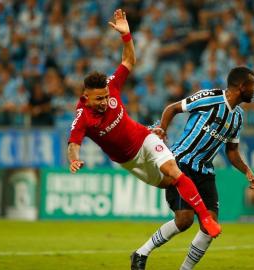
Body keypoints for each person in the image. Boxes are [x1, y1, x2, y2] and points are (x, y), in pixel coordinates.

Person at [67, 8, 221, 240]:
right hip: (129, 161)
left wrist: (126, 36)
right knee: (169, 182)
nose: (104, 102)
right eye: (98, 99)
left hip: (144, 137)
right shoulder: (82, 118)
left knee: (174, 171)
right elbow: (73, 144)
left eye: (105, 96)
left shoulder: (112, 85)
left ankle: (206, 219)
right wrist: (74, 159)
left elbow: (128, 60)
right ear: (85, 97)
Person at [131, 66, 254, 270]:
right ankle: (141, 253)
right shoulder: (210, 98)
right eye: (252, 86)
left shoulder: (238, 117)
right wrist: (161, 131)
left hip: (205, 171)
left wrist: (247, 171)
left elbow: (232, 151)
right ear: (241, 87)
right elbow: (172, 108)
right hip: (181, 163)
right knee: (184, 220)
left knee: (211, 226)